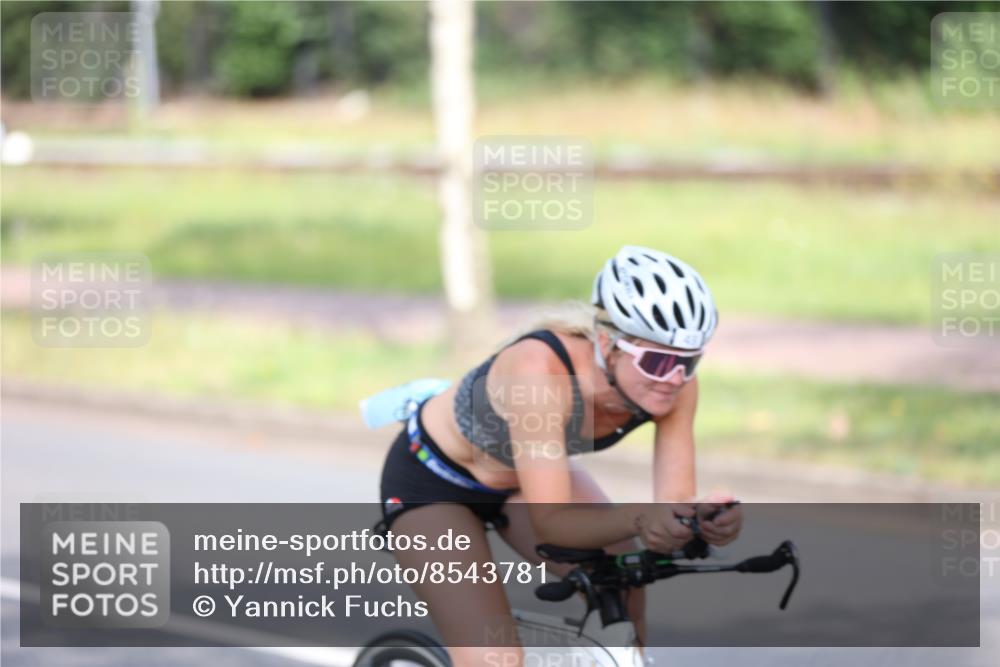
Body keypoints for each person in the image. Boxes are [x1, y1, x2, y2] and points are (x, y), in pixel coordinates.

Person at [375, 245, 743, 666]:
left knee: (622, 574)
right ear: (609, 342)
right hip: (436, 483)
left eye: (690, 361)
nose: (674, 376)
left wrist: (702, 520)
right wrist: (644, 517)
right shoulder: (539, 373)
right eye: (657, 361)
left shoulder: (674, 383)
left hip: (522, 480)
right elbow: (553, 525)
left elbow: (671, 508)